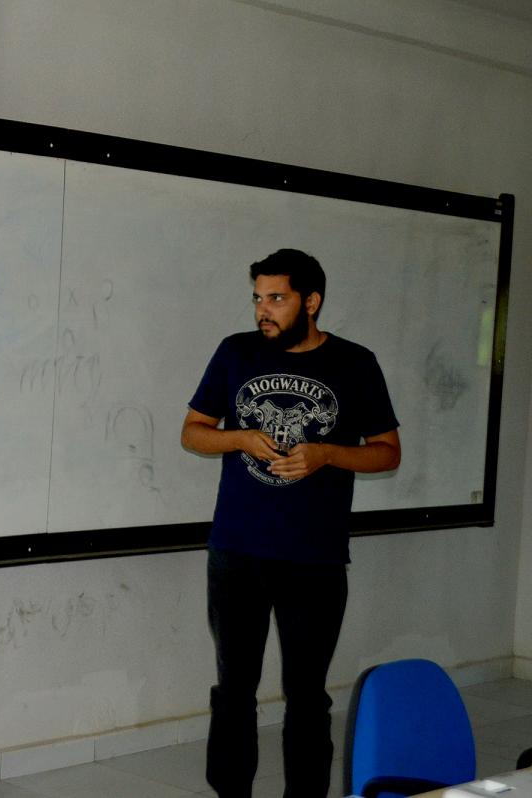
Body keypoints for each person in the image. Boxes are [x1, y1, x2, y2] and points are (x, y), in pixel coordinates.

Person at [180, 249, 401, 798]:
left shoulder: (355, 363)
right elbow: (193, 432)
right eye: (258, 298)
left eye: (276, 298)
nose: (264, 310)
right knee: (234, 690)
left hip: (315, 559)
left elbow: (387, 453)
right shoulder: (235, 353)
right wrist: (240, 438)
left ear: (312, 301)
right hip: (235, 552)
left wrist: (328, 454)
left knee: (307, 695)